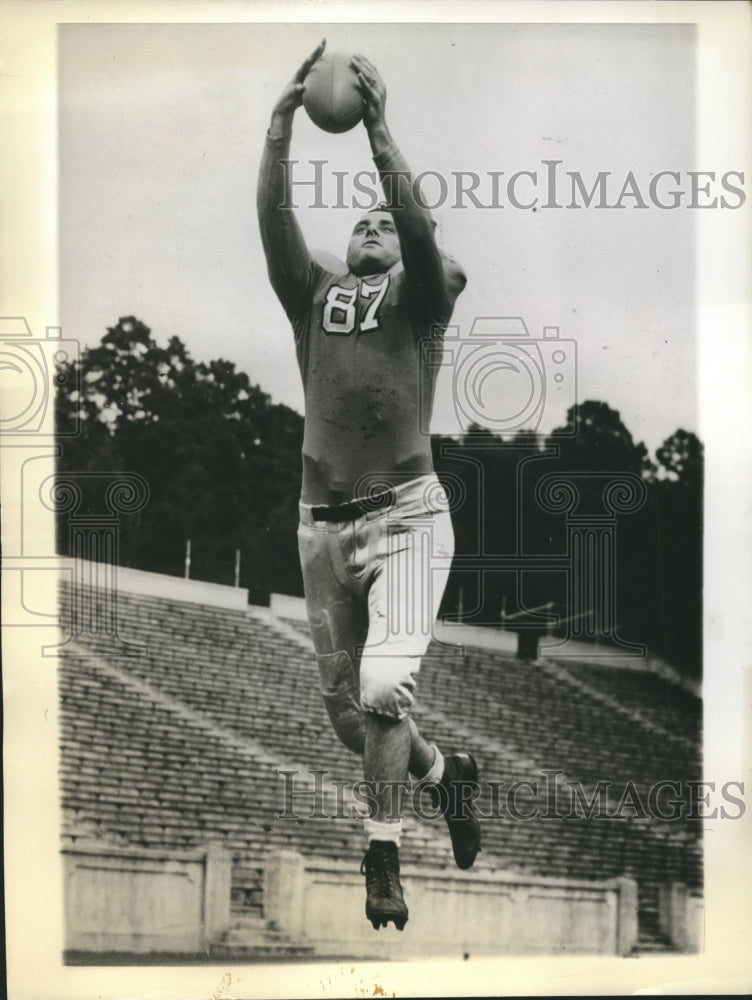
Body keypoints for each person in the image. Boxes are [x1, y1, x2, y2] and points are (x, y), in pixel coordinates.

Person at [257, 40, 481, 932]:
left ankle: (382, 852)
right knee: (354, 726)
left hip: (407, 517)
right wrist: (278, 130)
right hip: (321, 526)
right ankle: (444, 776)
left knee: (386, 689)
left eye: (382, 224)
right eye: (361, 223)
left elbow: (421, 236)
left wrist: (381, 132)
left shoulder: (421, 296)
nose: (371, 227)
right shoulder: (314, 295)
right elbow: (272, 223)